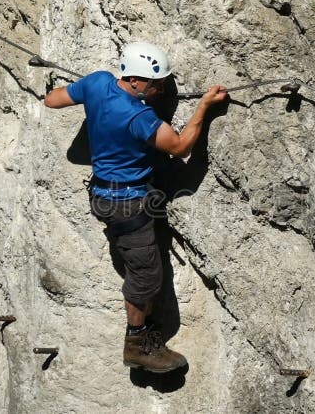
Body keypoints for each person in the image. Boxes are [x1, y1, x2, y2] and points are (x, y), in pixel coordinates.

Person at [44, 41, 227, 373]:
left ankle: (142, 331)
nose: (158, 90)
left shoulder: (98, 83)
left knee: (141, 264)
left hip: (103, 193)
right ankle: (137, 345)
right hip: (127, 203)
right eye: (154, 84)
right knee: (146, 276)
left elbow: (53, 99)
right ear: (135, 81)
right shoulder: (138, 117)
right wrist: (203, 107)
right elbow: (182, 147)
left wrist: (86, 100)